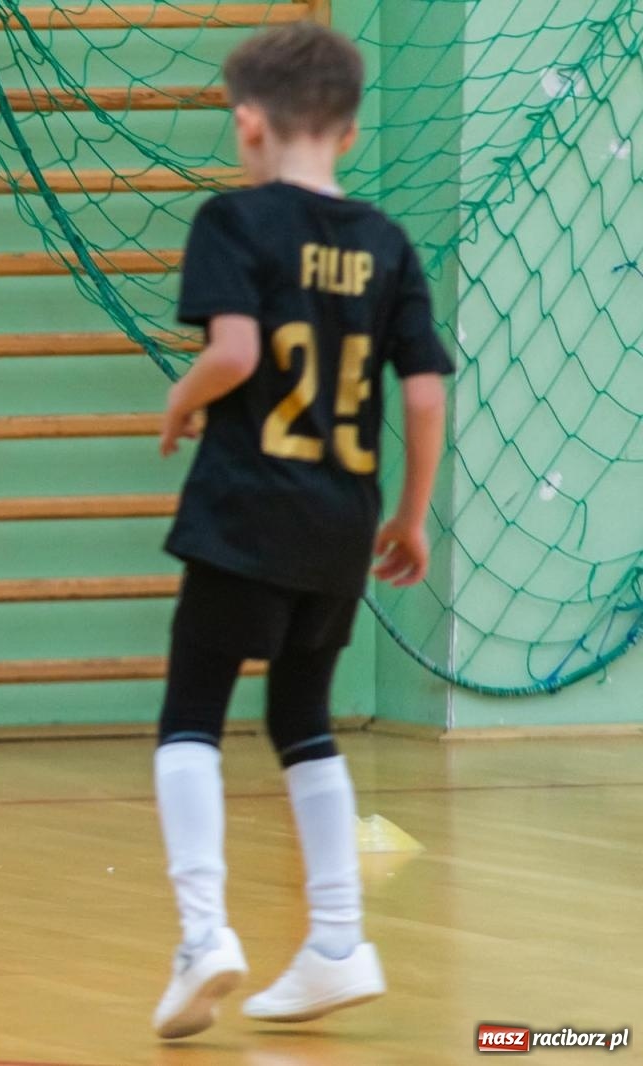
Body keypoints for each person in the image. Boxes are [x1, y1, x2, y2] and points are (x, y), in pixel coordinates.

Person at [148, 21, 453, 1038]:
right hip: (342, 519)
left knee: (189, 713)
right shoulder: (387, 243)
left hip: (246, 506)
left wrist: (184, 401)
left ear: (247, 125)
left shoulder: (233, 224)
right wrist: (408, 514)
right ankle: (335, 941)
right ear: (352, 130)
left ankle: (204, 934)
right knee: (303, 721)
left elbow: (232, 350)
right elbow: (420, 393)